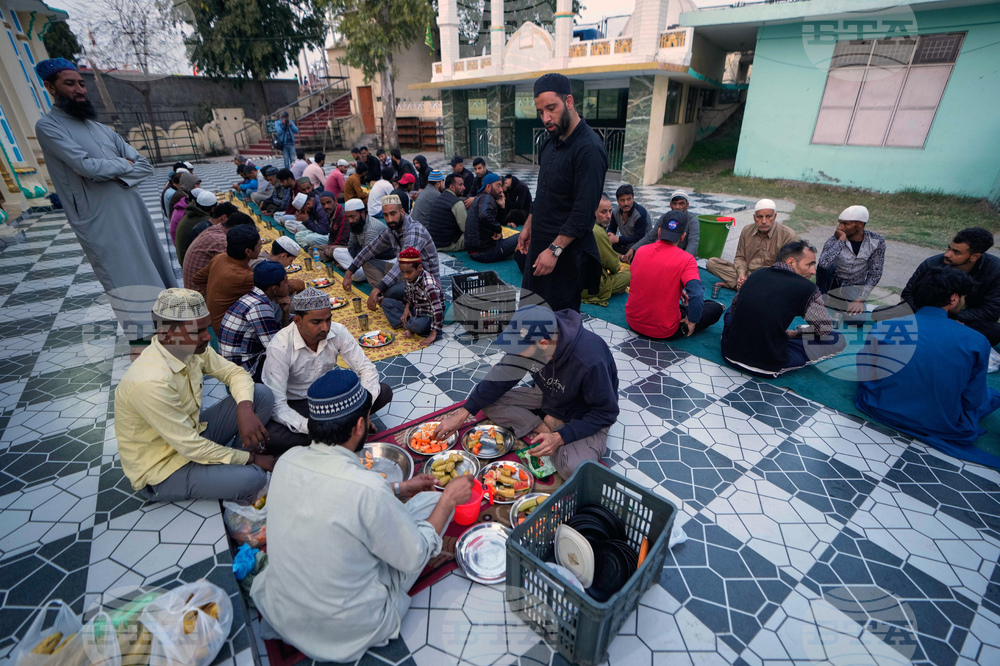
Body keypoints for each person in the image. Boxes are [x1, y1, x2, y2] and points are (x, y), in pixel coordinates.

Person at [250, 367, 472, 664]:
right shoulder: (366, 489)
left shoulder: (288, 460)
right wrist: (448, 499)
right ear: (359, 426)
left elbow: (334, 497)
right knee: (432, 505)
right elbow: (415, 556)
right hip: (347, 629)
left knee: (408, 505)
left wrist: (399, 487)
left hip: (283, 612)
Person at [34, 58, 176, 346]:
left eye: (81, 83)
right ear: (50, 87)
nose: (79, 90)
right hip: (99, 216)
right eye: (69, 83)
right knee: (126, 275)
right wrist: (121, 165)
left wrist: (114, 171)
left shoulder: (101, 129)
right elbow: (86, 167)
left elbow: (145, 165)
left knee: (153, 266)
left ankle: (171, 331)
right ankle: (148, 343)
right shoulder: (48, 127)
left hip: (132, 207)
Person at [114, 288, 275, 503]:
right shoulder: (151, 381)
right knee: (254, 478)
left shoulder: (191, 349)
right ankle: (239, 466)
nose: (208, 336)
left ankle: (231, 464)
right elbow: (189, 445)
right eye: (197, 331)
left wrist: (245, 408)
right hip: (163, 469)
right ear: (165, 335)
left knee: (260, 394)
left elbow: (234, 373)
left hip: (192, 437)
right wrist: (252, 458)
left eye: (206, 327)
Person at [434, 306, 619, 478]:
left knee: (573, 468)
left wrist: (561, 436)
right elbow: (499, 376)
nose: (515, 353)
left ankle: (555, 426)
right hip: (551, 393)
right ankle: (543, 425)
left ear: (543, 344)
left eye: (519, 349)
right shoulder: (533, 343)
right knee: (486, 402)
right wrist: (463, 413)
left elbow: (606, 413)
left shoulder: (590, 361)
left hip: (584, 412)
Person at [855, 267, 1000, 468]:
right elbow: (974, 399)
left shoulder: (885, 326)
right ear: (954, 298)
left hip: (878, 407)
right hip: (937, 423)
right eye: (964, 297)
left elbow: (864, 372)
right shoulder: (976, 341)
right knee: (992, 395)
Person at [262, 289, 393, 454]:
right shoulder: (280, 346)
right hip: (298, 404)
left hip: (331, 397)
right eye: (316, 322)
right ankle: (344, 432)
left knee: (384, 391)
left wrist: (363, 412)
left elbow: (366, 369)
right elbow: (277, 405)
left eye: (328, 320)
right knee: (272, 436)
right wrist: (314, 428)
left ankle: (338, 433)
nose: (325, 327)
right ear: (297, 320)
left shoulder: (337, 332)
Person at [518, 73, 607, 312]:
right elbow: (544, 194)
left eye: (551, 108)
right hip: (539, 246)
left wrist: (554, 250)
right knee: (531, 313)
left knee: (558, 326)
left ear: (568, 102)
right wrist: (528, 224)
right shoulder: (550, 141)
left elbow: (583, 212)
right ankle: (530, 350)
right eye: (540, 112)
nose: (546, 118)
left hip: (563, 256)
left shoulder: (588, 149)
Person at [722, 241, 846, 377]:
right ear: (791, 262)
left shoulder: (757, 273)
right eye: (809, 264)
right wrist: (798, 334)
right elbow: (824, 330)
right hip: (767, 365)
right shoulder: (808, 288)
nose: (813, 271)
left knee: (730, 311)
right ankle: (789, 338)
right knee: (836, 338)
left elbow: (735, 308)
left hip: (730, 353)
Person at [876, 227, 1000, 345]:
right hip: (924, 313)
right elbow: (908, 294)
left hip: (963, 319)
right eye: (949, 248)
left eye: (956, 252)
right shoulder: (932, 263)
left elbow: (991, 311)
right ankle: (946, 336)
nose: (947, 254)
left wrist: (947, 319)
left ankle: (930, 334)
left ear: (974, 256)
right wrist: (931, 318)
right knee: (879, 313)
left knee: (994, 331)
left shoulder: (995, 271)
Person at [626, 211, 723, 339]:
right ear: (683, 236)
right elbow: (697, 294)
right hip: (664, 330)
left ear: (659, 232)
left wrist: (677, 291)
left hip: (633, 321)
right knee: (715, 307)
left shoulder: (641, 251)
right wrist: (692, 321)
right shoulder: (686, 260)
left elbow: (645, 281)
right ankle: (719, 307)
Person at [344, 195, 440, 308]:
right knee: (367, 262)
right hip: (405, 274)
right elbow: (370, 249)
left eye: (393, 214)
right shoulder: (391, 230)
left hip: (422, 281)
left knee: (390, 292)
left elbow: (404, 264)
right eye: (385, 215)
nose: (389, 219)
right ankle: (391, 294)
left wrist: (376, 290)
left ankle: (392, 297)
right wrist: (349, 272)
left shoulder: (415, 231)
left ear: (402, 211)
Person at [220, 262, 292, 382]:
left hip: (238, 361)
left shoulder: (253, 297)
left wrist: (285, 313)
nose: (289, 285)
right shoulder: (260, 307)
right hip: (244, 371)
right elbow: (277, 349)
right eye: (286, 281)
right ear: (274, 289)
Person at [706, 198, 798, 292]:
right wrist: (741, 274)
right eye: (760, 217)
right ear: (754, 217)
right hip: (747, 274)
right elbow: (740, 257)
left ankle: (739, 286)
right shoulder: (747, 231)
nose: (764, 221)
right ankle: (746, 286)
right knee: (712, 263)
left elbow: (787, 270)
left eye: (768, 217)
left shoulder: (788, 235)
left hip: (770, 279)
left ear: (775, 216)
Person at [816, 205, 886, 317]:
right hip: (832, 283)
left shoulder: (876, 241)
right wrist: (841, 241)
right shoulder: (835, 239)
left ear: (859, 225)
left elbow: (875, 273)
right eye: (840, 223)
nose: (840, 227)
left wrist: (860, 299)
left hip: (854, 286)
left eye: (845, 224)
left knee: (857, 319)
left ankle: (838, 302)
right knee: (829, 265)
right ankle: (822, 299)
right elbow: (823, 264)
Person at [192, 225, 262, 334]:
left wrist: (218, 292)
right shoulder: (244, 276)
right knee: (277, 301)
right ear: (248, 251)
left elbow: (198, 279)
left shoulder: (219, 258)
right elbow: (279, 287)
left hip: (216, 321)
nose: (261, 248)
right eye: (259, 245)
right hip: (229, 331)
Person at [380, 247, 444, 348]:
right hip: (415, 309)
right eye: (403, 272)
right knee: (386, 302)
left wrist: (433, 334)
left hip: (428, 315)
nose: (405, 276)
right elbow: (409, 295)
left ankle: (408, 326)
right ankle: (409, 324)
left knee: (418, 325)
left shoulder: (429, 285)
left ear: (419, 267)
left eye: (408, 272)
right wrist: (406, 309)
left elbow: (438, 310)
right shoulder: (411, 277)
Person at [183, 209, 251, 289]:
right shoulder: (221, 241)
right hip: (201, 295)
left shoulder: (215, 229)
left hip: (194, 288)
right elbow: (238, 271)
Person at [625, 191, 700, 261]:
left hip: (681, 256)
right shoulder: (665, 217)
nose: (677, 207)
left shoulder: (692, 221)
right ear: (670, 205)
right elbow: (651, 236)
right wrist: (633, 249)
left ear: (687, 205)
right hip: (663, 252)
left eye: (681, 204)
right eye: (674, 203)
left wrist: (683, 261)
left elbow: (693, 243)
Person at [582, 195, 630, 306]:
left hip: (573, 283)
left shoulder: (579, 222)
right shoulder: (598, 232)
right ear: (593, 211)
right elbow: (613, 266)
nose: (608, 216)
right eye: (603, 212)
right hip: (589, 288)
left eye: (610, 211)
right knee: (632, 274)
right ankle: (610, 289)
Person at [332, 199, 393, 282]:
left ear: (363, 213)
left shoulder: (372, 228)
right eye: (348, 217)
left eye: (352, 217)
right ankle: (357, 269)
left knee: (355, 276)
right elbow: (351, 246)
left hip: (382, 260)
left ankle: (354, 270)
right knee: (337, 251)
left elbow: (367, 256)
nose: (350, 220)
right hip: (364, 256)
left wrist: (353, 267)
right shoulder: (356, 224)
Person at [466, 173, 519, 263]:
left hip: (474, 251)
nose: (501, 190)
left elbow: (497, 221)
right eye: (498, 186)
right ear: (488, 187)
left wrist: (502, 207)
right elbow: (484, 215)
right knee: (521, 236)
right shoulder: (487, 198)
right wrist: (498, 230)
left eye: (501, 186)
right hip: (485, 253)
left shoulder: (480, 198)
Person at [425, 173, 467, 252]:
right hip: (449, 244)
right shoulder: (457, 203)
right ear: (452, 187)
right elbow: (466, 228)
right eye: (460, 185)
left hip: (435, 243)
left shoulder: (438, 198)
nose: (464, 187)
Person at [175, 190, 217, 266]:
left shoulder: (193, 211)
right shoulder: (204, 222)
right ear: (213, 209)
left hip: (184, 256)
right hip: (188, 262)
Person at [606, 184, 650, 257]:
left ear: (633, 198)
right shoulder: (615, 212)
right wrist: (610, 234)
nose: (626, 203)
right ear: (617, 201)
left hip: (641, 245)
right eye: (622, 200)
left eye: (628, 199)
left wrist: (618, 239)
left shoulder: (640, 214)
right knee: (605, 245)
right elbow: (611, 228)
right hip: (626, 244)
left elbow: (639, 238)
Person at [169, 172, 201, 241]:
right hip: (182, 239)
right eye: (197, 184)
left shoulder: (183, 192)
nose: (200, 187)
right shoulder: (183, 196)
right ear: (189, 183)